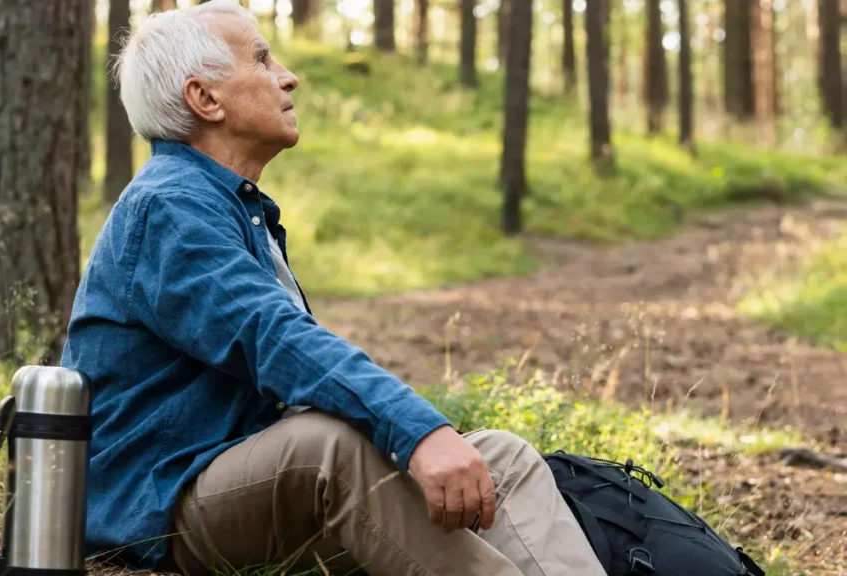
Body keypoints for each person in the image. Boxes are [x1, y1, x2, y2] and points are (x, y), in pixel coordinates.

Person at [60, 2, 606, 574]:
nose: (288, 76)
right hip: (158, 497)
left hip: (230, 464)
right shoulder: (169, 205)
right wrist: (417, 432)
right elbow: (273, 338)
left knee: (503, 459)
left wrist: (419, 438)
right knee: (331, 449)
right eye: (263, 59)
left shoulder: (227, 203)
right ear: (205, 99)